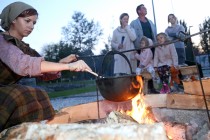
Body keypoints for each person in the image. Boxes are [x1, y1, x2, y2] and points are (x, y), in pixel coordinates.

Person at [0, 2, 92, 131]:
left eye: (34, 23)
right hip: (5, 94)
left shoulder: (25, 49)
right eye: (27, 21)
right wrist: (70, 66)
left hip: (7, 91)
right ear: (14, 19)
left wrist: (63, 63)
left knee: (39, 93)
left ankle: (27, 132)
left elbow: (44, 71)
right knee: (20, 93)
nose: (31, 26)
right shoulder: (2, 41)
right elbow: (24, 64)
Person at [130, 4, 157, 93]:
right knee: (141, 68)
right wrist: (134, 48)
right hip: (140, 48)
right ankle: (141, 89)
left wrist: (155, 44)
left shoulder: (150, 22)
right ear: (139, 11)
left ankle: (152, 88)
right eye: (143, 8)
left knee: (150, 67)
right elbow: (132, 37)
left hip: (151, 47)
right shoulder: (134, 23)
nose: (145, 9)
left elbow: (154, 34)